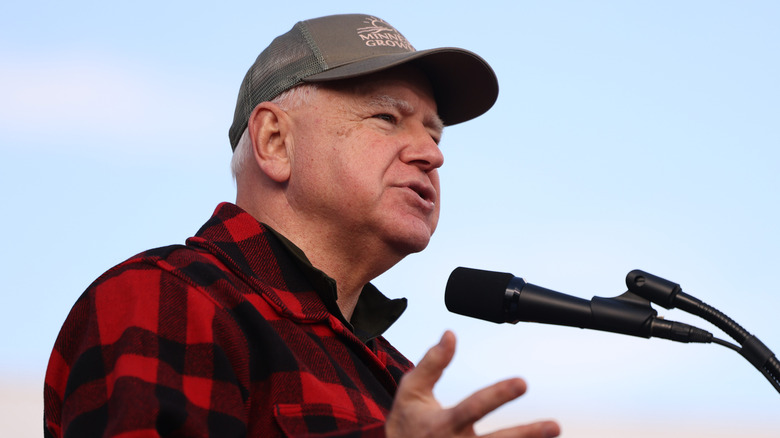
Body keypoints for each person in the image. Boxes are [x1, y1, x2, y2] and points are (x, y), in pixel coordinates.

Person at [44, 13, 561, 438]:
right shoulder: (167, 297)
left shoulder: (399, 380)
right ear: (274, 141)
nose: (431, 155)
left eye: (436, 136)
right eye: (386, 118)